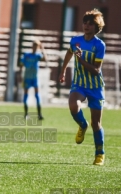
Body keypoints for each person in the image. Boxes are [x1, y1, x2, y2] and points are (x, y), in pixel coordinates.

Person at [59, 9, 106, 165]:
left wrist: (80, 60)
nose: (86, 25)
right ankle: (82, 125)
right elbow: (68, 53)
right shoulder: (75, 41)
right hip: (79, 84)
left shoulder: (99, 45)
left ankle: (99, 154)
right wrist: (63, 70)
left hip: (95, 87)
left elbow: (96, 70)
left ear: (96, 27)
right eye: (85, 22)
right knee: (73, 105)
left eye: (90, 23)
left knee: (96, 123)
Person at [19, 39, 47, 120]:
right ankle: (26, 114)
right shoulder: (26, 55)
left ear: (38, 47)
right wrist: (20, 75)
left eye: (37, 46)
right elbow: (21, 64)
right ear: (32, 46)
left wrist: (43, 49)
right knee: (26, 95)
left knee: (37, 95)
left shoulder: (38, 55)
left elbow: (45, 59)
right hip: (27, 78)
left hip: (35, 78)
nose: (35, 47)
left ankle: (39, 114)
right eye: (34, 45)